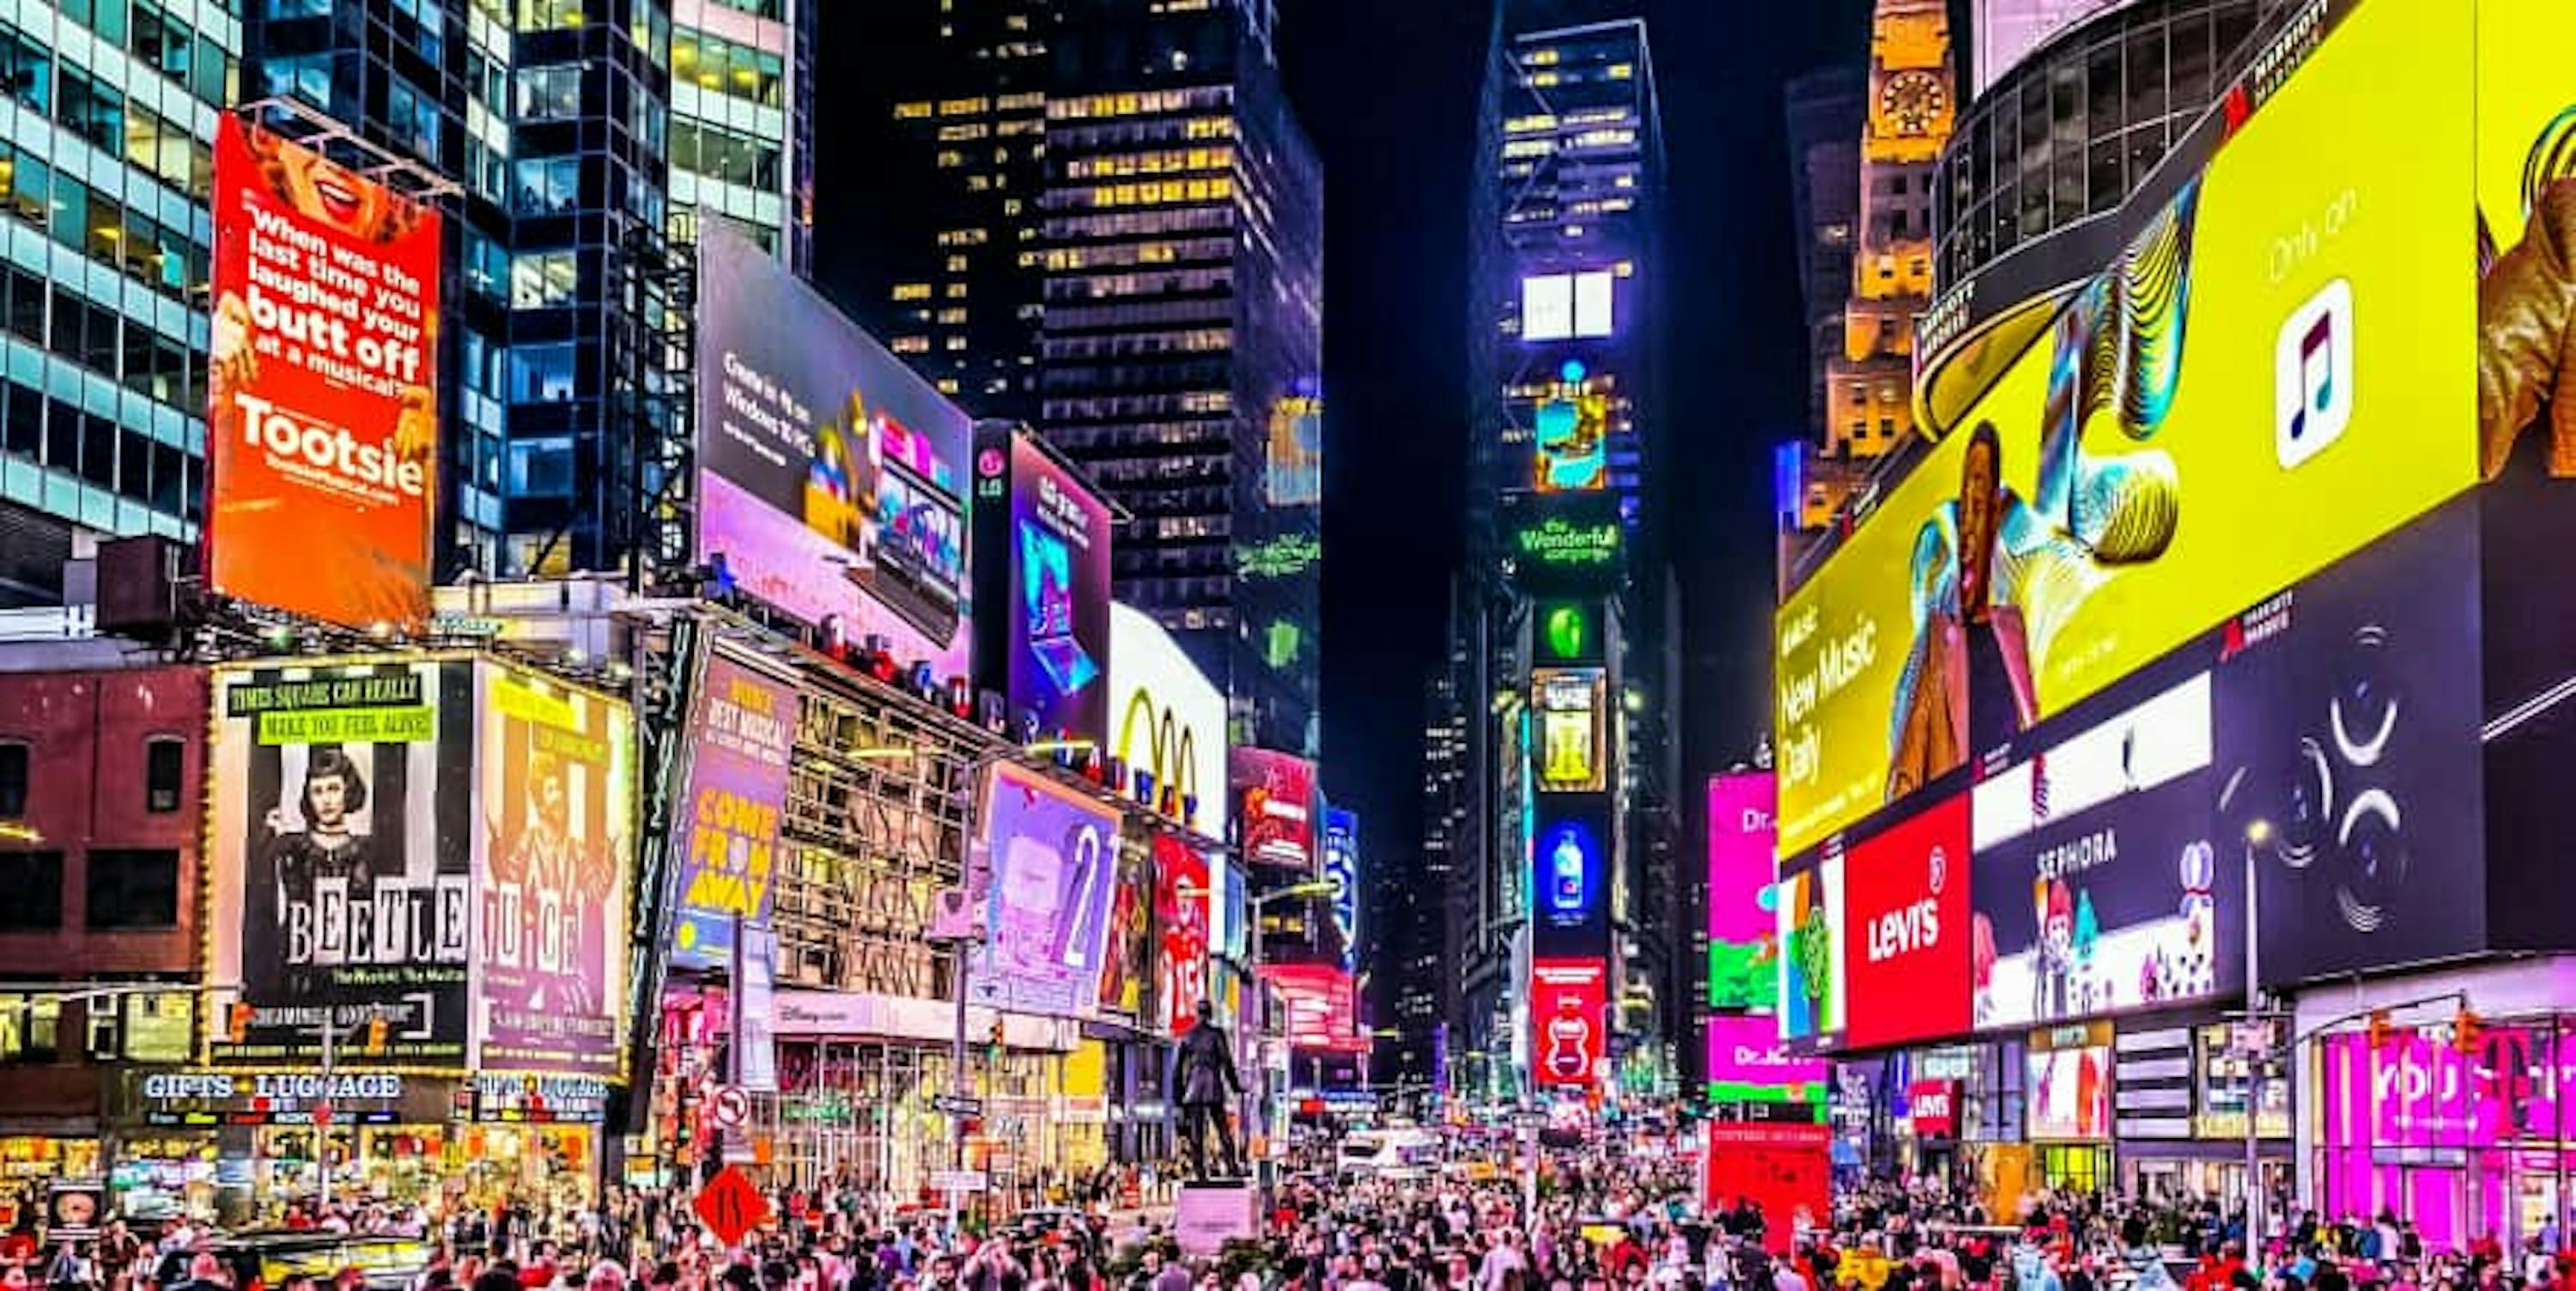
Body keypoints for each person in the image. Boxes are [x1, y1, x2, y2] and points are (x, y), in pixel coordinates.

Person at [1171, 1002, 1243, 1180]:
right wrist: (1235, 1086)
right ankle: (1232, 1168)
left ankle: (1200, 1172)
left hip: (1194, 1088)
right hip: (1212, 1086)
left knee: (1197, 1134)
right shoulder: (1217, 1034)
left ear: (1197, 1013)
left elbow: (1177, 1070)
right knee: (1222, 1130)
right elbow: (1227, 1061)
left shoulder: (1188, 1036)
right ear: (1210, 1014)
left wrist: (1178, 1097)